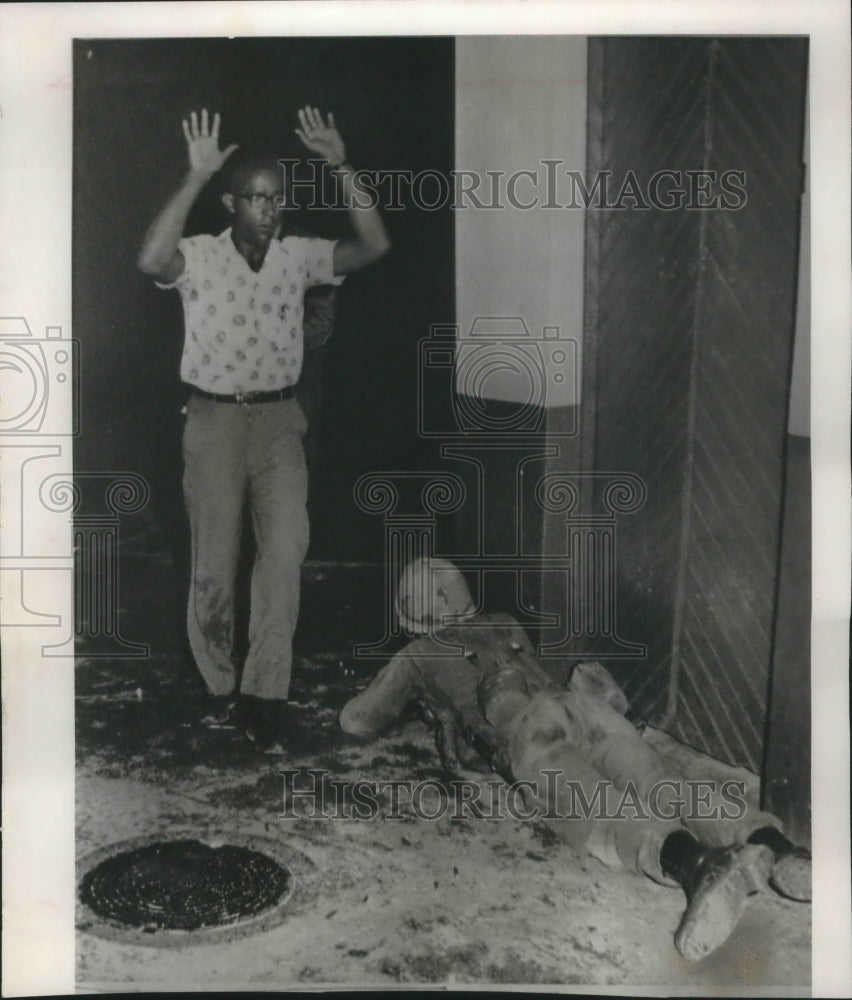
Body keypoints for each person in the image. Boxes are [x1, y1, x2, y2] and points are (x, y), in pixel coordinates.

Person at [340, 557, 811, 962]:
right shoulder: (504, 621)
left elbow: (357, 721)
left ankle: (699, 864)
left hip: (526, 731)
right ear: (464, 594)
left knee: (605, 814)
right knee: (661, 781)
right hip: (580, 707)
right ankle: (771, 842)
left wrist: (427, 703)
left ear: (411, 614)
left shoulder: (418, 652)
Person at [138, 107, 390, 753]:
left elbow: (373, 246)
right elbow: (150, 258)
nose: (269, 210)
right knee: (215, 567)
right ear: (232, 203)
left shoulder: (300, 257)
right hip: (214, 420)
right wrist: (194, 176)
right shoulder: (197, 258)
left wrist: (340, 165)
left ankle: (263, 692)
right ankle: (218, 680)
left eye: (276, 199)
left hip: (279, 422)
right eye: (255, 199)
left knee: (284, 553)